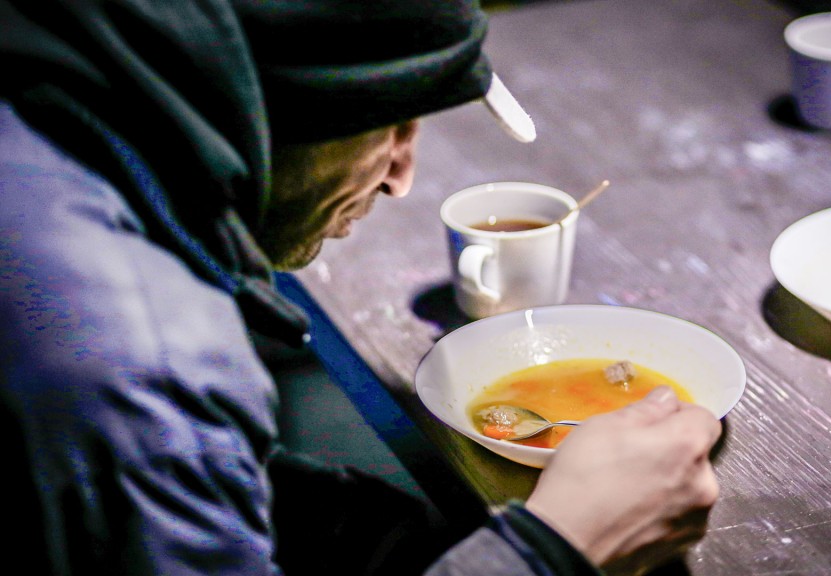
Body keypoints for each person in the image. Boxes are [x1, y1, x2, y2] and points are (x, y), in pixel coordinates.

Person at [0, 0, 722, 574]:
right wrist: (563, 545)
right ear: (264, 98)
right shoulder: (146, 364)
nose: (401, 175)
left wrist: (385, 540)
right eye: (389, 120)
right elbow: (155, 444)